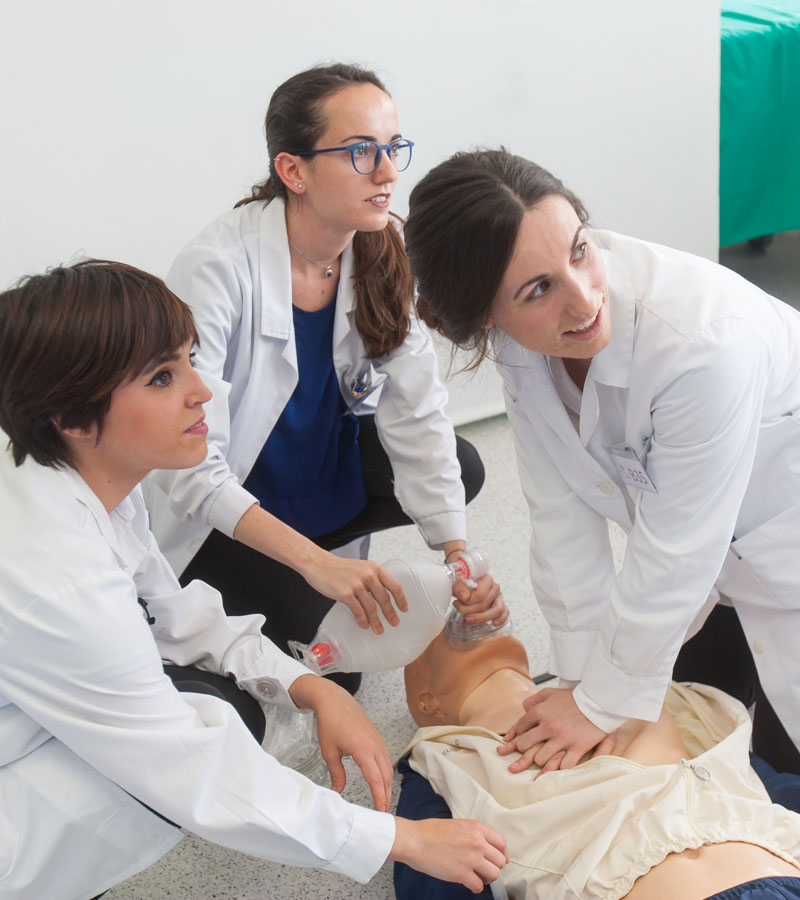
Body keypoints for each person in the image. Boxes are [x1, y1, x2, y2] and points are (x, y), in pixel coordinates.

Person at [0, 261, 508, 900]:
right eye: (164, 377)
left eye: (190, 359)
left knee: (228, 698)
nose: (203, 391)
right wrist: (399, 839)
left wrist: (307, 687)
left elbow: (173, 612)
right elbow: (191, 773)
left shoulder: (78, 481)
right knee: (215, 726)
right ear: (74, 419)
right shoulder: (59, 577)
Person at [403, 148, 800, 775]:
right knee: (684, 727)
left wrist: (601, 701)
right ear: (486, 317)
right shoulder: (520, 348)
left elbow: (678, 545)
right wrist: (583, 685)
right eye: (538, 290)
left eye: (581, 250)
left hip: (779, 552)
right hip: (710, 564)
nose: (585, 299)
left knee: (783, 773)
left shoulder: (703, 340)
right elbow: (560, 517)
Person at [144, 64, 504, 687]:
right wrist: (316, 567)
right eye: (362, 152)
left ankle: (308, 564)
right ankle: (261, 577)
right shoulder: (216, 269)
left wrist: (458, 555)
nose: (389, 172)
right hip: (224, 514)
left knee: (460, 465)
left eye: (392, 149)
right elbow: (190, 469)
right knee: (342, 678)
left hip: (316, 478)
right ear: (293, 171)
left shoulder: (377, 253)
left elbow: (417, 412)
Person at [396, 630, 800, 900]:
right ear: (424, 702)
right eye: (436, 622)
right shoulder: (437, 760)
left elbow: (757, 783)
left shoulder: (641, 688)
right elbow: (434, 873)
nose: (461, 613)